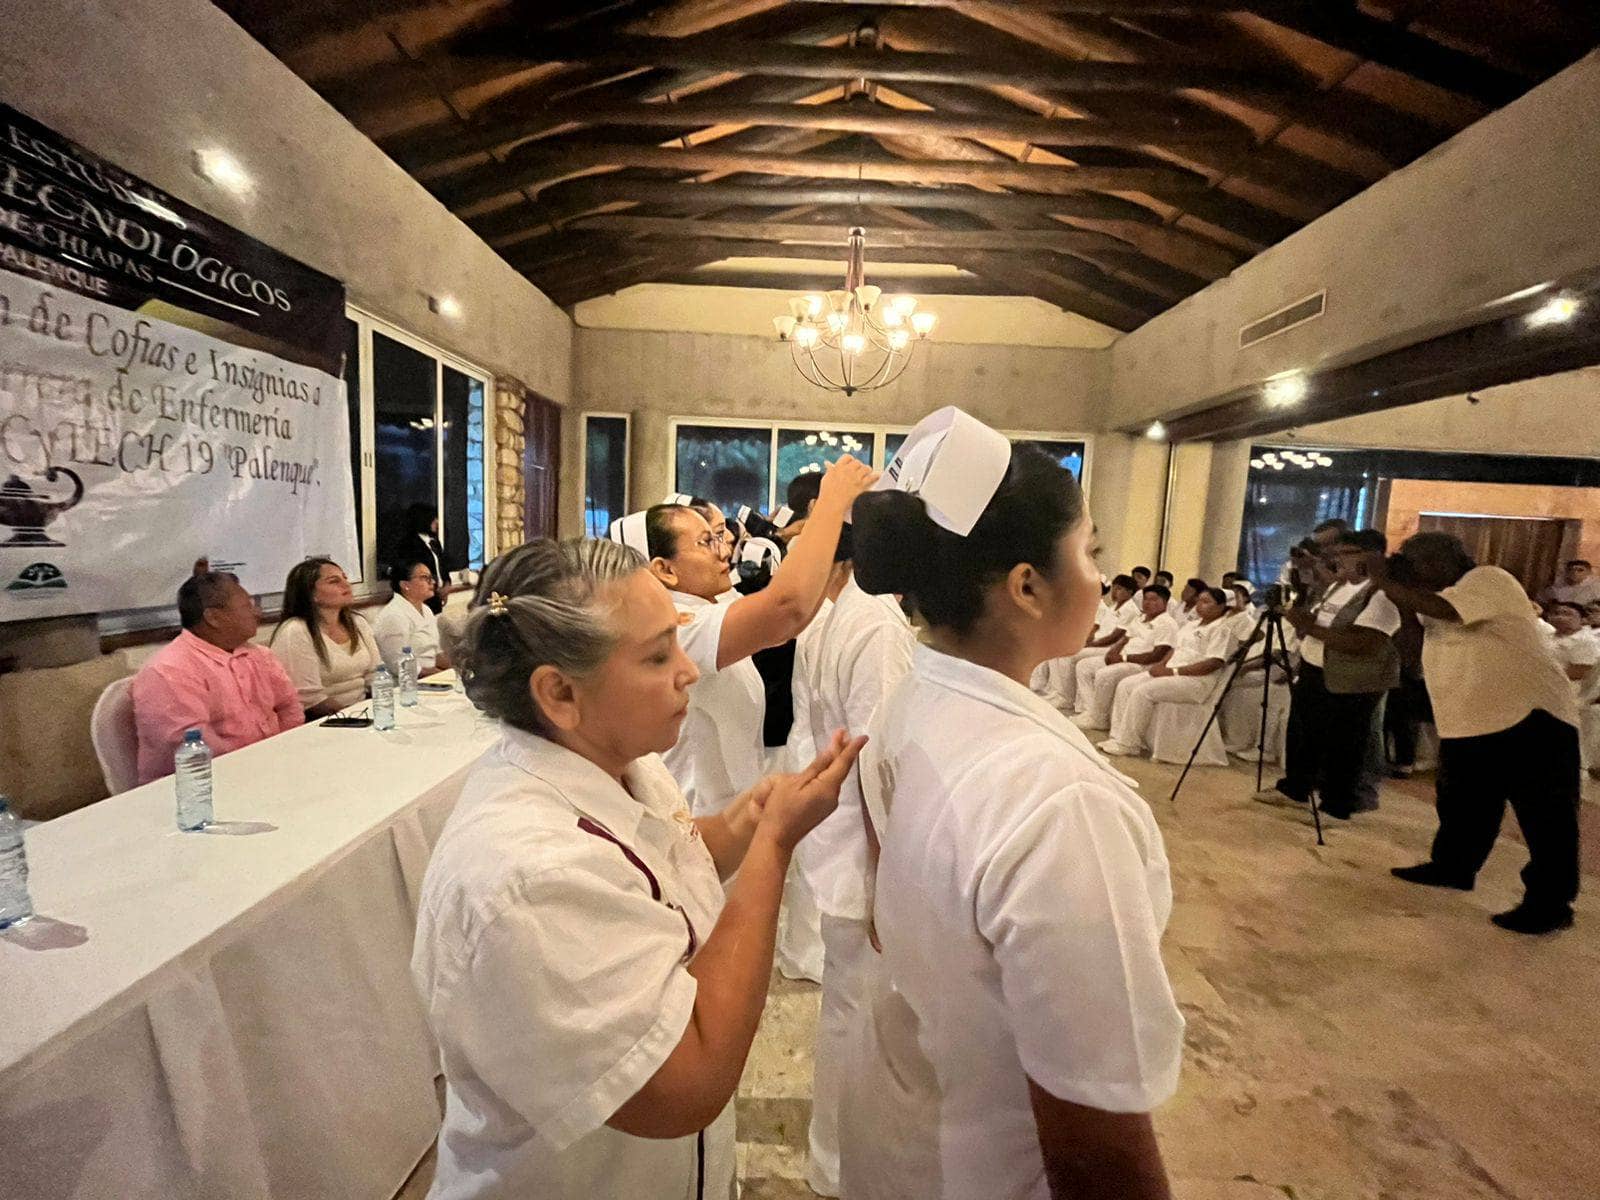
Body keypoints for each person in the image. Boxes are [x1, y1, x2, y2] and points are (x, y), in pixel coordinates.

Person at [411, 538, 867, 1200]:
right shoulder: (524, 878)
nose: (688, 670)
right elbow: (688, 1081)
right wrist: (772, 845)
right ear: (561, 694)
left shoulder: (621, 758)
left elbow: (664, 863)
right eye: (657, 655)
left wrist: (743, 822)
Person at [840, 410, 1182, 1200]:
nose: (1099, 576)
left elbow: (888, 924)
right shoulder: (1058, 803)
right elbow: (1100, 1139)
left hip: (913, 1124)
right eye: (1089, 551)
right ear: (1027, 585)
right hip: (990, 1160)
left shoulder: (910, 698)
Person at [615, 456, 875, 816]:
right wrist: (830, 502)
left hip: (728, 809)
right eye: (707, 542)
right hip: (696, 814)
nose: (725, 550)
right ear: (665, 569)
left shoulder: (711, 602)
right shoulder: (674, 625)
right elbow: (785, 609)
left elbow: (786, 626)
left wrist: (829, 526)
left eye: (720, 536)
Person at [1369, 533, 1581, 935]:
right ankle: (1453, 867)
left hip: (1530, 714)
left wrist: (1386, 581)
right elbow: (1412, 655)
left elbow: (1447, 611)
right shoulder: (1430, 599)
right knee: (1463, 805)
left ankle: (1550, 903)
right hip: (1468, 717)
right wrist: (1398, 595)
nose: (1416, 569)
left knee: (1544, 816)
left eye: (1420, 560)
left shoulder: (1487, 579)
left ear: (1450, 557)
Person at [795, 526, 918, 1197]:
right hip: (859, 856)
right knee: (859, 1024)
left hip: (842, 843)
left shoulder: (849, 613)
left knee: (849, 1017)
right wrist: (887, 884)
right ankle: (841, 1168)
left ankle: (832, 1161)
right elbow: (877, 762)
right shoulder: (873, 622)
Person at [1254, 530, 1401, 819]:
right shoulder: (1338, 586)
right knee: (1302, 732)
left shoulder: (1381, 594)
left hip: (1351, 680)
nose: (1336, 560)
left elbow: (1362, 642)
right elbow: (1316, 618)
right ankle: (1296, 787)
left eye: (1344, 554)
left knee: (1344, 742)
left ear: (1368, 556)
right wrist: (1297, 613)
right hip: (1314, 669)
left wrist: (1304, 624)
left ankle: (1337, 803)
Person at [130, 567, 303, 785]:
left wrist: (284, 752)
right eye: (247, 606)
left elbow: (290, 707)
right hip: (201, 787)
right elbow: (196, 748)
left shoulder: (259, 655)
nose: (257, 612)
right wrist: (262, 765)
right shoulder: (169, 671)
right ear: (213, 617)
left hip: (267, 770)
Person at [774, 531, 855, 987]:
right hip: (815, 742)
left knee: (812, 855)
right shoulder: (824, 617)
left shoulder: (828, 614)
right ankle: (805, 952)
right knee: (815, 858)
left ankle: (803, 948)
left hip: (808, 739)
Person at [1098, 587, 1235, 759]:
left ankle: (1129, 743)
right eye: (1199, 600)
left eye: (1206, 602)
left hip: (1196, 680)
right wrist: (1162, 666)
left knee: (1143, 691)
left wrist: (1173, 671)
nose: (1200, 605)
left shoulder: (1221, 629)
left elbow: (1214, 662)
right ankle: (1118, 736)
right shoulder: (1192, 624)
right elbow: (1174, 650)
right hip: (1173, 672)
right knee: (1126, 685)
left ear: (1221, 606)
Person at [268, 557, 381, 717]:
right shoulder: (296, 631)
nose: (346, 585)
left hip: (364, 710)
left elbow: (376, 674)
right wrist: (354, 717)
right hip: (324, 720)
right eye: (334, 581)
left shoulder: (358, 622)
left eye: (345, 578)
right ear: (311, 594)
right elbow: (311, 701)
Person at [1072, 584, 1178, 731]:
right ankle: (1091, 711)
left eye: (1154, 600)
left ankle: (1099, 719)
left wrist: (1123, 658)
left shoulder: (1167, 624)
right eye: (1146, 599)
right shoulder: (1141, 618)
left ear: (1165, 603)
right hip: (1124, 657)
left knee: (1104, 674)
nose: (1148, 603)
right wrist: (1112, 652)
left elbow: (1157, 655)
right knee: (1084, 666)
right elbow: (1125, 639)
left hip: (1141, 664)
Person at [1035, 575, 1138, 710]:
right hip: (1099, 642)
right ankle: (1057, 692)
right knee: (1058, 651)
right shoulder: (1114, 607)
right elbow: (1098, 630)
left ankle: (1066, 697)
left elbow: (1115, 636)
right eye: (1114, 588)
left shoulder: (1130, 610)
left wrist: (1089, 644)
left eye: (1119, 589)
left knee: (1068, 655)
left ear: (1130, 592)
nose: (1114, 592)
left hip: (1110, 647)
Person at [373, 554, 451, 676]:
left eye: (432, 577)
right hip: (409, 683)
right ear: (405, 585)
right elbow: (398, 665)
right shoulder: (393, 616)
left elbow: (435, 654)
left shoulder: (426, 610)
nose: (433, 582)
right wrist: (440, 675)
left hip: (433, 676)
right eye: (425, 578)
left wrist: (458, 669)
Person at [394, 502, 451, 615]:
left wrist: (447, 584)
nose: (437, 522)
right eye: (434, 519)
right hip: (421, 596)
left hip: (436, 596)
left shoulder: (435, 542)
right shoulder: (409, 544)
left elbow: (443, 566)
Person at [1546, 601, 1599, 693]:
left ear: (1583, 620)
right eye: (1556, 613)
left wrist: (1544, 673)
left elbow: (1581, 671)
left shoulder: (1587, 640)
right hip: (1546, 682)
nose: (1560, 617)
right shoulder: (1548, 635)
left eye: (1568, 614)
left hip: (1569, 688)